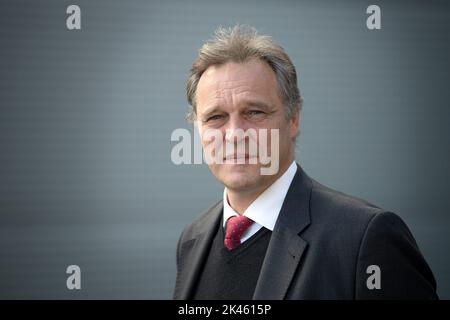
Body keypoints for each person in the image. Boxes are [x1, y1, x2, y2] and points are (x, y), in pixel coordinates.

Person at [173, 25, 438, 299]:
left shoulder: (366, 238)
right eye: (215, 117)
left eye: (254, 112)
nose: (235, 134)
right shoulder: (192, 240)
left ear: (293, 118)